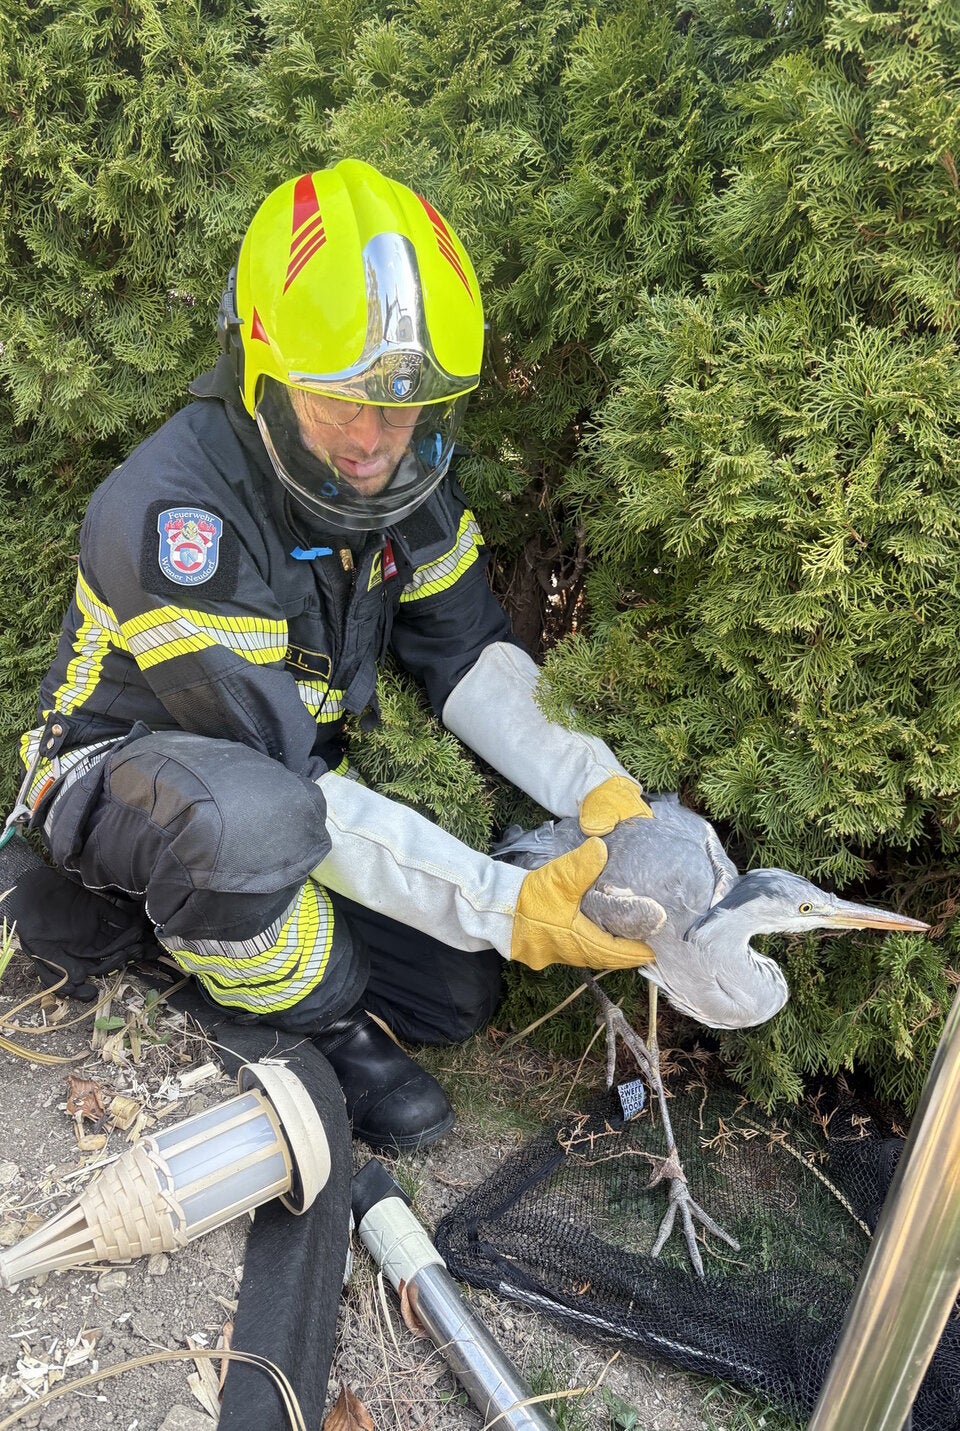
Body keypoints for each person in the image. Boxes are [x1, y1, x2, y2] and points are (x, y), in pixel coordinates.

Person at [16, 159, 654, 1153]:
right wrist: (504, 901)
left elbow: (470, 656)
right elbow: (278, 773)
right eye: (341, 405)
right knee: (250, 827)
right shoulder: (174, 515)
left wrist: (600, 785)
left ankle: (173, 937)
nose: (373, 443)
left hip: (274, 789)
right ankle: (313, 1025)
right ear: (259, 374)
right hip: (117, 779)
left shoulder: (404, 484)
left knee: (455, 992)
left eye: (403, 408)